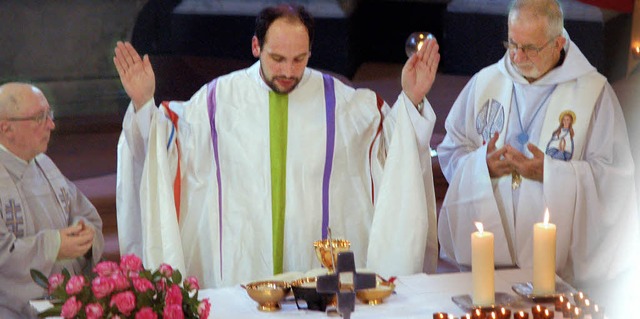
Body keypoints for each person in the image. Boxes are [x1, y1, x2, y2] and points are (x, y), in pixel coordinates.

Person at [114, 3, 440, 288]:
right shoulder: (217, 100)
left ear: (311, 51)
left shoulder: (341, 102)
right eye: (277, 58)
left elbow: (393, 151)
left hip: (314, 271)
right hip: (240, 269)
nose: (288, 71)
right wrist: (144, 104)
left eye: (299, 59)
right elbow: (162, 148)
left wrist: (411, 98)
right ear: (256, 46)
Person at [437, 0, 638, 315]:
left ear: (558, 44)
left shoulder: (593, 93)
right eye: (512, 44)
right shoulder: (487, 81)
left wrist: (551, 172)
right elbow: (452, 148)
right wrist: (482, 166)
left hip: (557, 277)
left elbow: (613, 179)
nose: (516, 57)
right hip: (488, 270)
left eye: (529, 48)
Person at [0, 83, 104, 318]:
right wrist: (54, 247)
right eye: (39, 117)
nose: (51, 124)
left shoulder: (46, 166)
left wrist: (84, 234)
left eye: (50, 114)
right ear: (7, 129)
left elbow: (85, 214)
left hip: (63, 305)